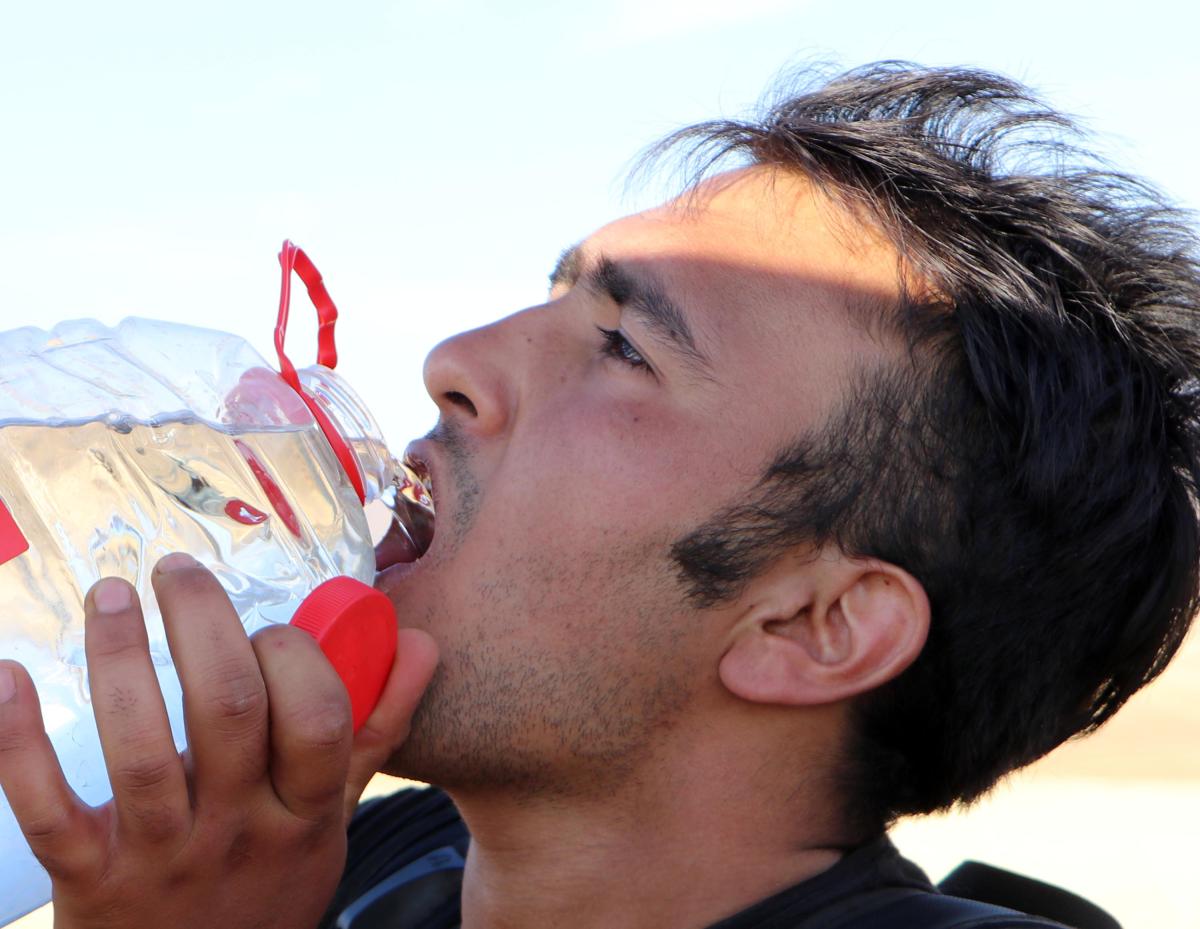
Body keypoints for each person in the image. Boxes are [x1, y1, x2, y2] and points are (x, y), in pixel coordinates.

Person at [0, 61, 1197, 929]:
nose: (456, 360)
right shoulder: (306, 865)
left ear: (814, 624)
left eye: (627, 345)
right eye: (558, 296)